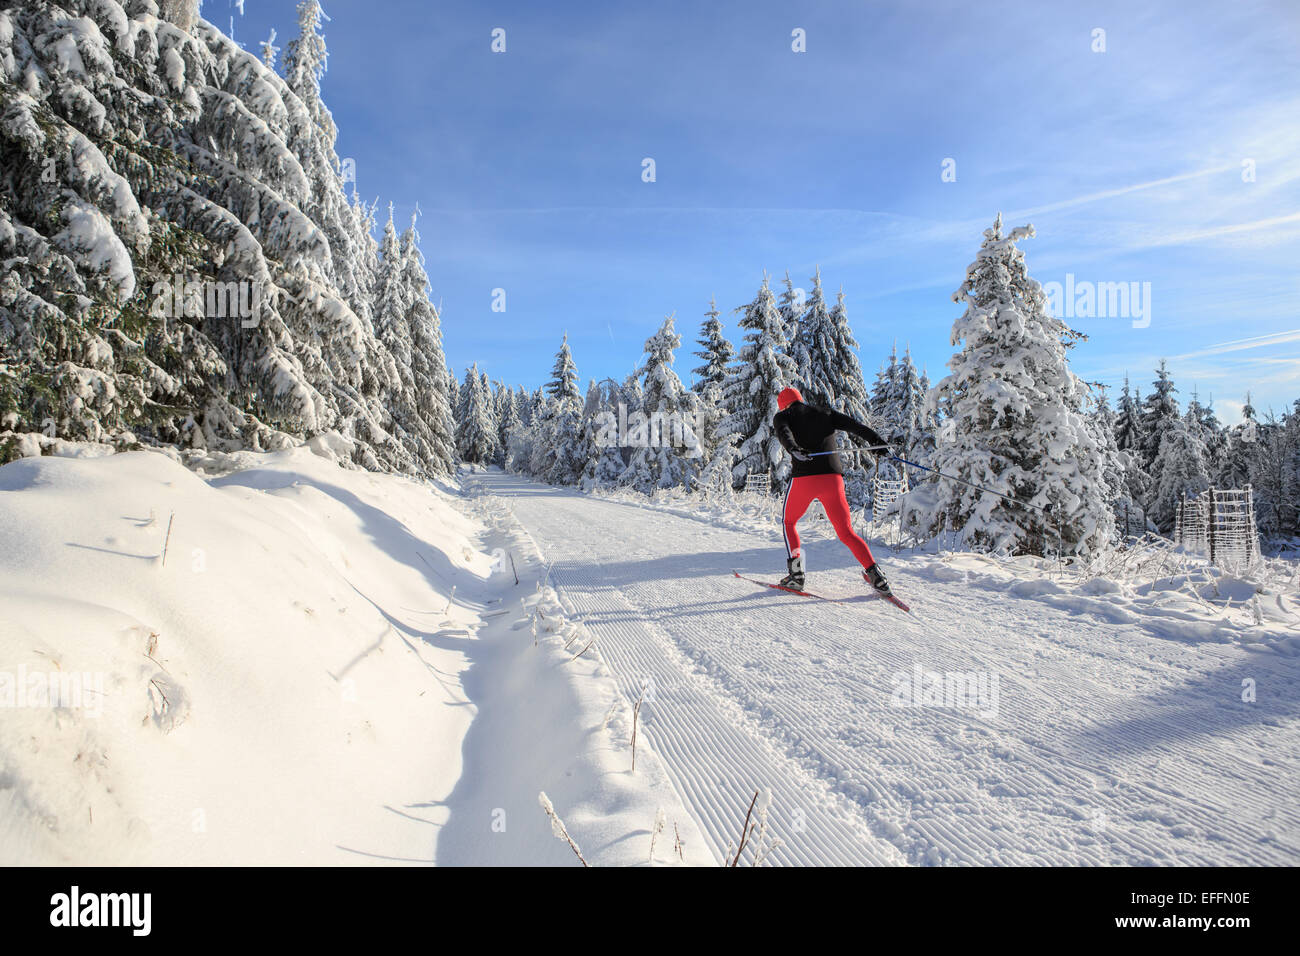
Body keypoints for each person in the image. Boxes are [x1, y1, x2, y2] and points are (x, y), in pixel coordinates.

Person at [772, 386, 894, 597]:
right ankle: (876, 575)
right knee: (846, 532)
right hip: (832, 479)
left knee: (789, 522)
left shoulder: (783, 416)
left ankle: (796, 576)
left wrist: (794, 449)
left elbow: (784, 434)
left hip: (804, 478)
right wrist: (877, 443)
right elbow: (855, 426)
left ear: (783, 404)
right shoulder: (825, 412)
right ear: (800, 399)